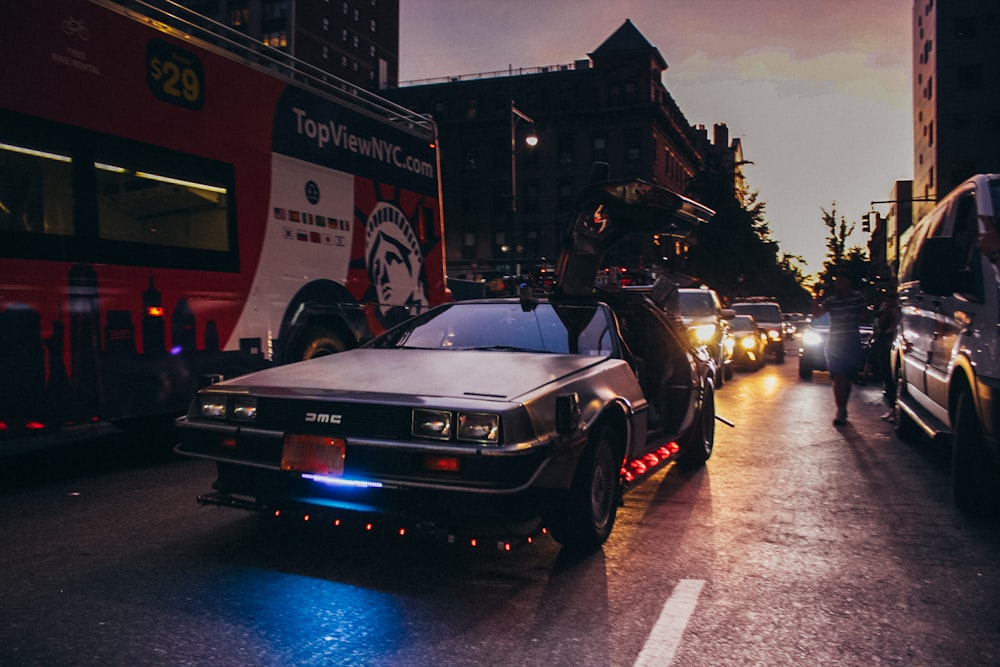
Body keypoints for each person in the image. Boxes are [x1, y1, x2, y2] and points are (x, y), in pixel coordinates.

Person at [817, 268, 868, 426]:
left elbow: (865, 315)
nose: (838, 283)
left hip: (851, 341)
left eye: (841, 279)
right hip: (835, 342)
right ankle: (840, 409)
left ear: (848, 281)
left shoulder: (857, 297)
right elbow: (816, 314)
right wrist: (815, 296)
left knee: (847, 377)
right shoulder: (831, 300)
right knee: (838, 376)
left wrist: (853, 316)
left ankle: (843, 406)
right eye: (836, 280)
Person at [871, 289, 900, 422]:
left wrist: (887, 311)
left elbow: (882, 324)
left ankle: (893, 408)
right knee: (885, 373)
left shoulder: (892, 309)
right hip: (886, 339)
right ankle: (892, 408)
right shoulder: (886, 307)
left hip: (889, 339)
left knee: (888, 374)